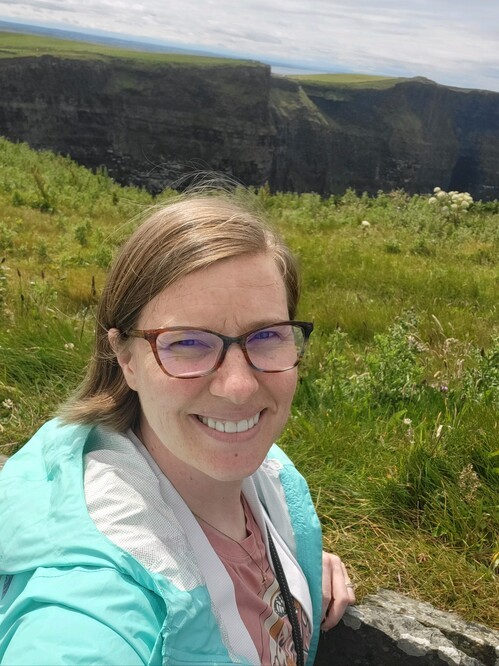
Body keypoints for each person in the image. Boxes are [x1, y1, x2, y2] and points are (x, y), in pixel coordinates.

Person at [0, 190, 355, 665]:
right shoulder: (86, 612)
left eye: (268, 335)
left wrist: (301, 565)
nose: (238, 388)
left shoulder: (268, 481)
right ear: (125, 358)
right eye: (187, 342)